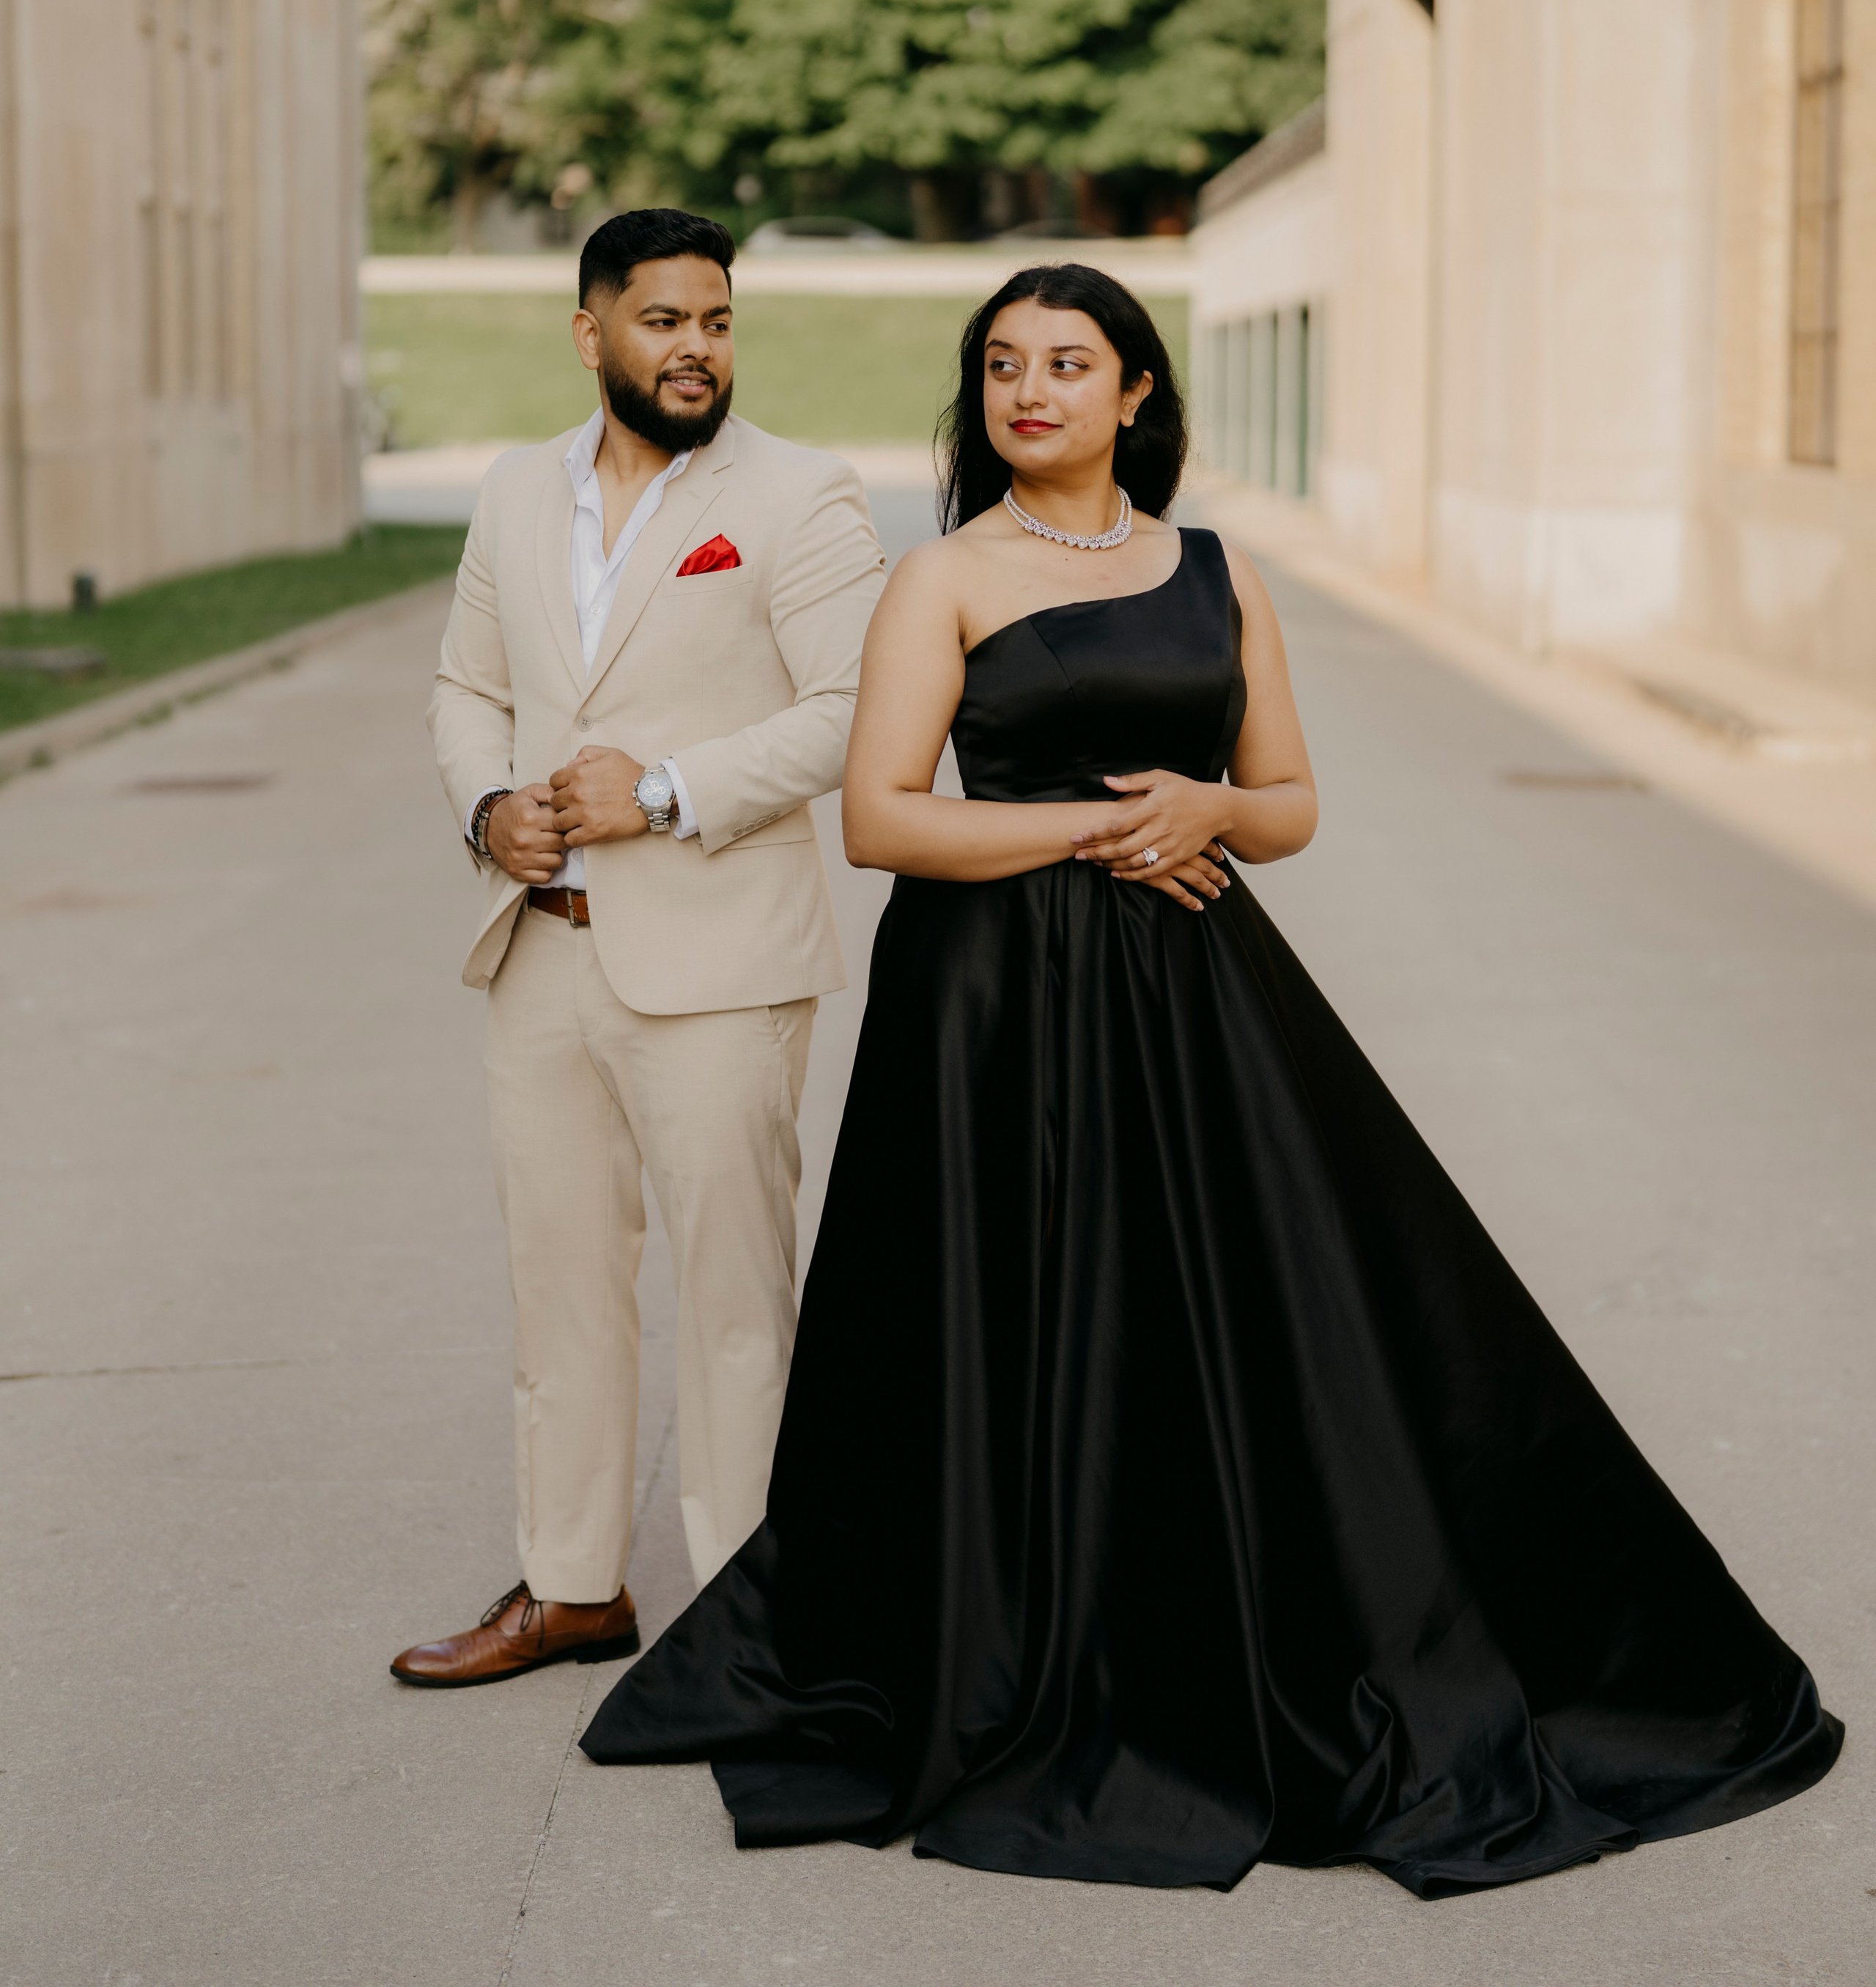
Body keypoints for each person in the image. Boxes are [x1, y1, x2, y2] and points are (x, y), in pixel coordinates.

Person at [580, 259, 1842, 1893]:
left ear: (1136, 394)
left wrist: (1212, 805)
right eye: (1001, 364)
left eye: (1068, 361)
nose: (1028, 389)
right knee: (1020, 1311)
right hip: (991, 1008)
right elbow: (881, 819)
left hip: (1190, 991)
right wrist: (1111, 826)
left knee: (1283, 1312)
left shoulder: (1215, 571)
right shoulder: (940, 578)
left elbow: (1290, 796)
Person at [391, 208, 885, 1688]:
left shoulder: (797, 494)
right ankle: (571, 1585)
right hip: (540, 952)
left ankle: (752, 1621)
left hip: (721, 962)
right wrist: (488, 803)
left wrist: (665, 790)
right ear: (591, 328)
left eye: (716, 320)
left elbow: (857, 703)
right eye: (664, 320)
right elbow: (465, 683)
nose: (696, 348)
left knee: (736, 1300)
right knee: (560, 1287)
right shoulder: (510, 490)